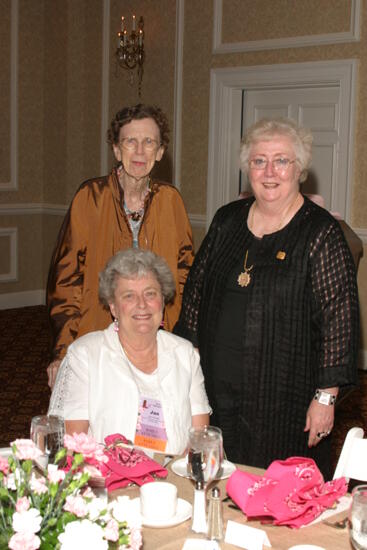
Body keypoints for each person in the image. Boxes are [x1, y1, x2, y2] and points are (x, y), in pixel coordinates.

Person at [174, 117, 359, 478]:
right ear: (248, 168)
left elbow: (339, 320)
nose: (269, 171)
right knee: (216, 478)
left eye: (281, 160)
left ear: (300, 168)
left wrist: (326, 398)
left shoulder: (320, 232)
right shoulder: (227, 220)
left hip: (284, 395)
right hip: (216, 386)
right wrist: (186, 368)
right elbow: (196, 293)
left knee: (275, 491)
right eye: (259, 161)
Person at [47, 104, 194, 388]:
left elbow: (186, 277)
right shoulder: (90, 197)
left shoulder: (172, 201)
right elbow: (65, 280)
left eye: (149, 142)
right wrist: (62, 351)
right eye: (130, 141)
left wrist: (184, 341)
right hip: (98, 338)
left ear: (160, 152)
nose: (140, 151)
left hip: (156, 342)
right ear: (116, 150)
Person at [48, 248, 211, 454]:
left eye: (150, 294)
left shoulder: (185, 353)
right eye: (129, 296)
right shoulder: (84, 355)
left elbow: (200, 439)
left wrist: (173, 481)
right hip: (106, 480)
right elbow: (72, 447)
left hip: (173, 480)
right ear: (113, 307)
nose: (142, 304)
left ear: (163, 300)